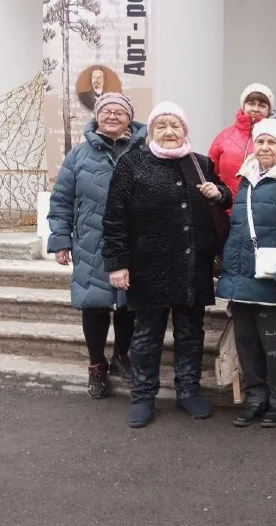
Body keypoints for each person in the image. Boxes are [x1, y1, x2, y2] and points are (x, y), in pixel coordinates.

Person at [103, 102, 232, 428]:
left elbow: (225, 197)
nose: (169, 131)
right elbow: (115, 217)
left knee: (191, 333)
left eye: (176, 125)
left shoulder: (200, 163)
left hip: (192, 266)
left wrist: (219, 193)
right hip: (149, 267)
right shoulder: (132, 163)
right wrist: (117, 264)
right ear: (151, 131)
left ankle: (188, 391)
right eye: (161, 126)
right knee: (147, 336)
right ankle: (143, 396)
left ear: (185, 130)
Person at [217, 119, 276, 428]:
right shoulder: (247, 177)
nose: (264, 147)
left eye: (271, 142)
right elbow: (238, 229)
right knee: (247, 342)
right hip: (243, 276)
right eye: (260, 141)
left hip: (275, 276)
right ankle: (256, 397)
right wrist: (229, 273)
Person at [47, 93, 147, 399]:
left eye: (120, 112)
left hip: (133, 242)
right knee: (94, 303)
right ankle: (96, 364)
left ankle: (122, 356)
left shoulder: (144, 151)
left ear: (130, 118)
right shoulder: (78, 155)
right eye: (107, 111)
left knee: (128, 303)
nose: (113, 116)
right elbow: (61, 200)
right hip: (91, 242)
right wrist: (61, 240)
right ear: (97, 116)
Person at [209, 83, 276, 203]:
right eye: (251, 103)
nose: (255, 109)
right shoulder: (224, 137)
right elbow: (210, 172)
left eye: (262, 105)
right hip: (225, 207)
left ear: (268, 110)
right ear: (243, 106)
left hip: (262, 208)